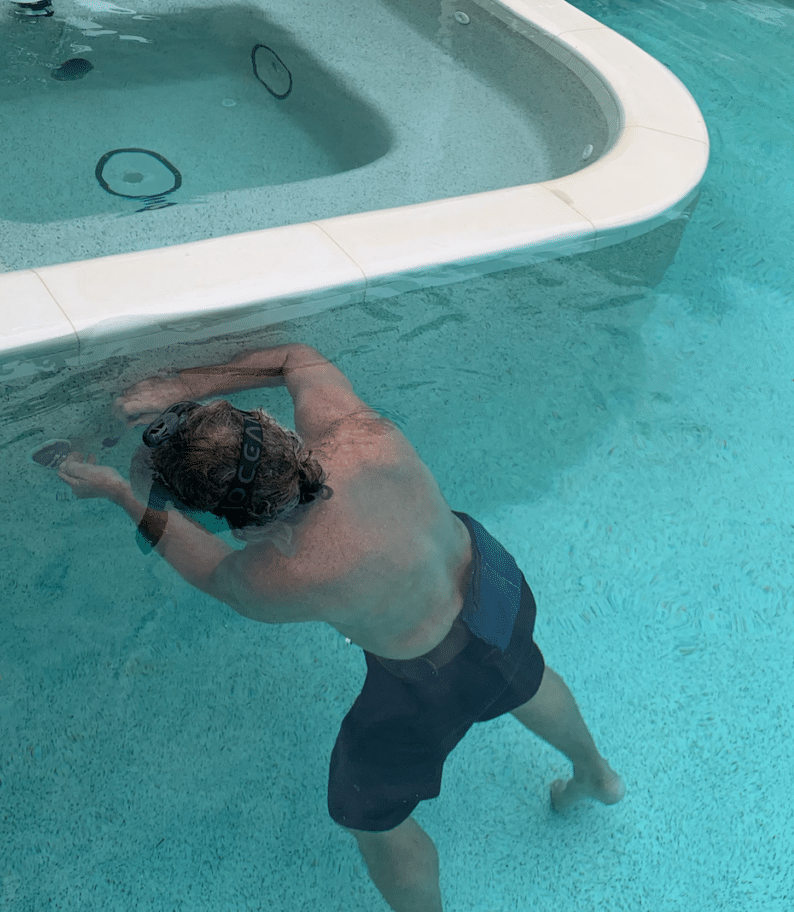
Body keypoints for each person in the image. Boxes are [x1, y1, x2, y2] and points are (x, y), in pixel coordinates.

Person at [57, 343, 624, 912]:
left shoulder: (277, 574)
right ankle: (596, 776)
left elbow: (210, 571)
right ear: (272, 428)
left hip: (432, 679)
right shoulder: (363, 435)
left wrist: (119, 492)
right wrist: (184, 386)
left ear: (245, 527)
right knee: (522, 668)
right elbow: (296, 358)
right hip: (490, 581)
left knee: (371, 819)